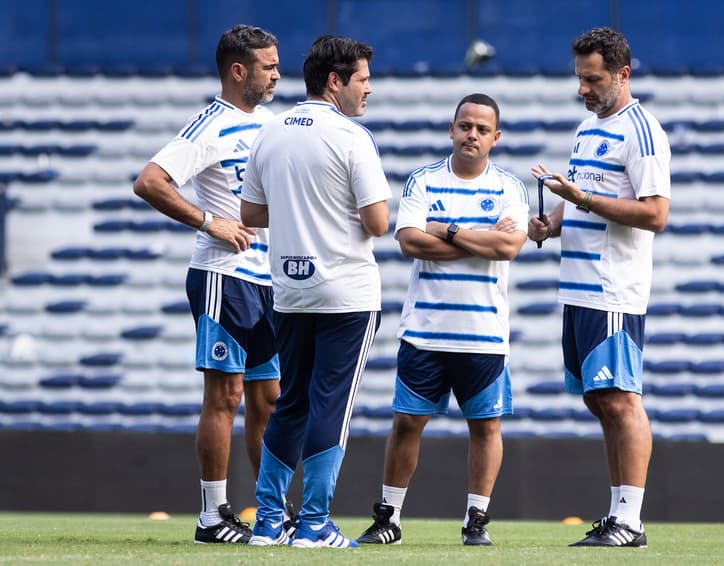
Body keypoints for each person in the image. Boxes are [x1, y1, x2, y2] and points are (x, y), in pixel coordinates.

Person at [356, 93, 529, 547]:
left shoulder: (510, 187)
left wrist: (447, 229)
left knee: (486, 427)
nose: (472, 134)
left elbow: (509, 248)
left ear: (496, 137)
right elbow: (410, 242)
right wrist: (482, 238)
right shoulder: (424, 180)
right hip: (426, 331)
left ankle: (476, 520)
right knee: (407, 424)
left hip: (484, 333)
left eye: (481, 129)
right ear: (452, 129)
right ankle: (389, 517)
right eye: (464, 126)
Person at [132, 24, 283, 544]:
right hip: (225, 277)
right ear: (239, 71)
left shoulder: (269, 123)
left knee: (268, 399)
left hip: (270, 281)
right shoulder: (210, 125)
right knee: (227, 394)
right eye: (268, 65)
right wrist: (208, 221)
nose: (277, 73)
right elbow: (149, 181)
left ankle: (270, 511)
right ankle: (212, 514)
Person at [239, 34, 391, 549]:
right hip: (346, 293)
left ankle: (266, 522)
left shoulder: (269, 131)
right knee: (332, 406)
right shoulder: (351, 137)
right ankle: (313, 523)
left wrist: (299, 204)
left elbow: (250, 214)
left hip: (290, 291)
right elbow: (377, 221)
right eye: (363, 80)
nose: (368, 90)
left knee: (290, 404)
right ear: (335, 81)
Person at [527, 27, 670, 548]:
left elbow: (655, 214)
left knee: (621, 400)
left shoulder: (642, 131)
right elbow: (585, 197)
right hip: (579, 288)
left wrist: (582, 201)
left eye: (592, 80)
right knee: (600, 402)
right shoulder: (587, 129)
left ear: (622, 74)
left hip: (613, 289)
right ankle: (617, 515)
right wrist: (553, 222)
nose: (583, 89)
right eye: (580, 79)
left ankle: (630, 521)